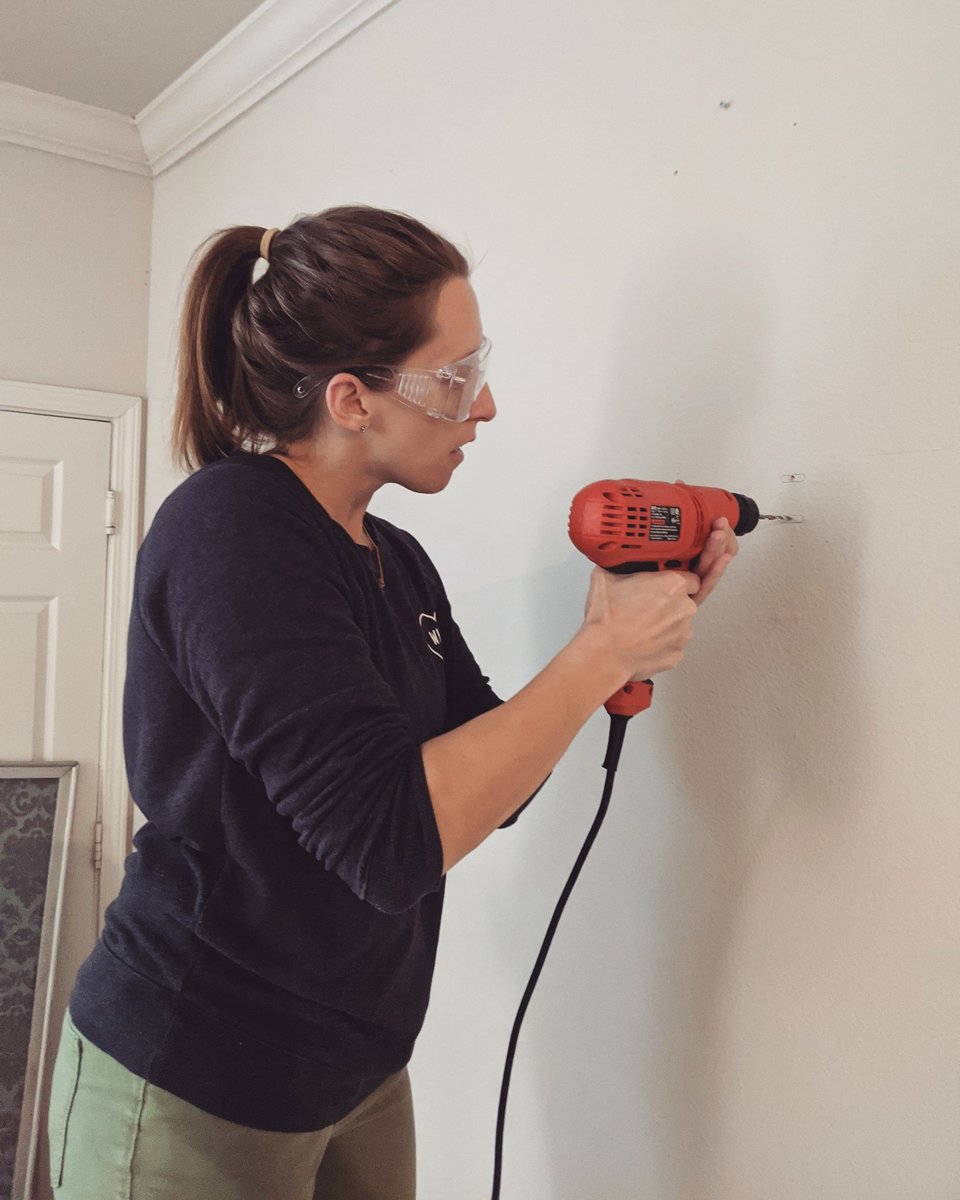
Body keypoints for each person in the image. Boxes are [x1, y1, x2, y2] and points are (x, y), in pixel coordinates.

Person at [47, 206, 737, 1199]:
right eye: (455, 377)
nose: (484, 405)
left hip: (359, 1066)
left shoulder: (395, 558)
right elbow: (391, 844)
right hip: (197, 1065)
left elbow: (492, 789)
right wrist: (599, 657)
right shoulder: (230, 531)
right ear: (351, 399)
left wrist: (603, 639)